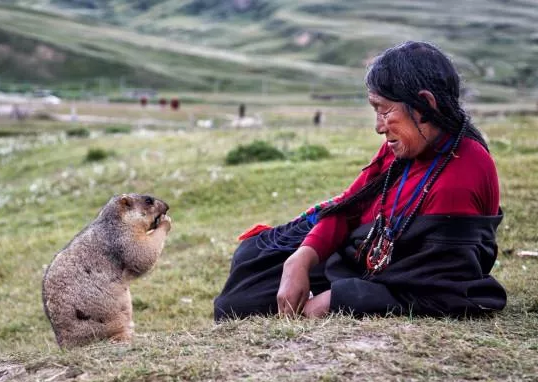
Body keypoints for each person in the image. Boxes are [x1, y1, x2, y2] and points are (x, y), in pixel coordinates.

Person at [213, 41, 506, 321]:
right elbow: (351, 204)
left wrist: (338, 299)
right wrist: (302, 257)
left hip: (377, 275)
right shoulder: (409, 145)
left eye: (384, 110)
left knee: (238, 305)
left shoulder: (460, 177)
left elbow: (438, 289)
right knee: (253, 253)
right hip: (361, 255)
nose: (378, 127)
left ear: (424, 105)